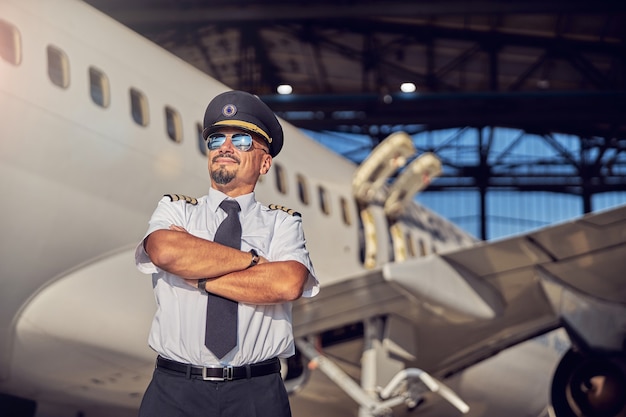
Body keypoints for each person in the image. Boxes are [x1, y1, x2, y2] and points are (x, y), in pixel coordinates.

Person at [135, 90, 319, 417]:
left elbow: (287, 284)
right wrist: (253, 262)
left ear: (265, 162)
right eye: (217, 138)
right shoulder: (176, 210)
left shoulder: (283, 222)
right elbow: (164, 251)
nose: (226, 147)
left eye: (243, 140)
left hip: (256, 393)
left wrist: (200, 278)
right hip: (175, 389)